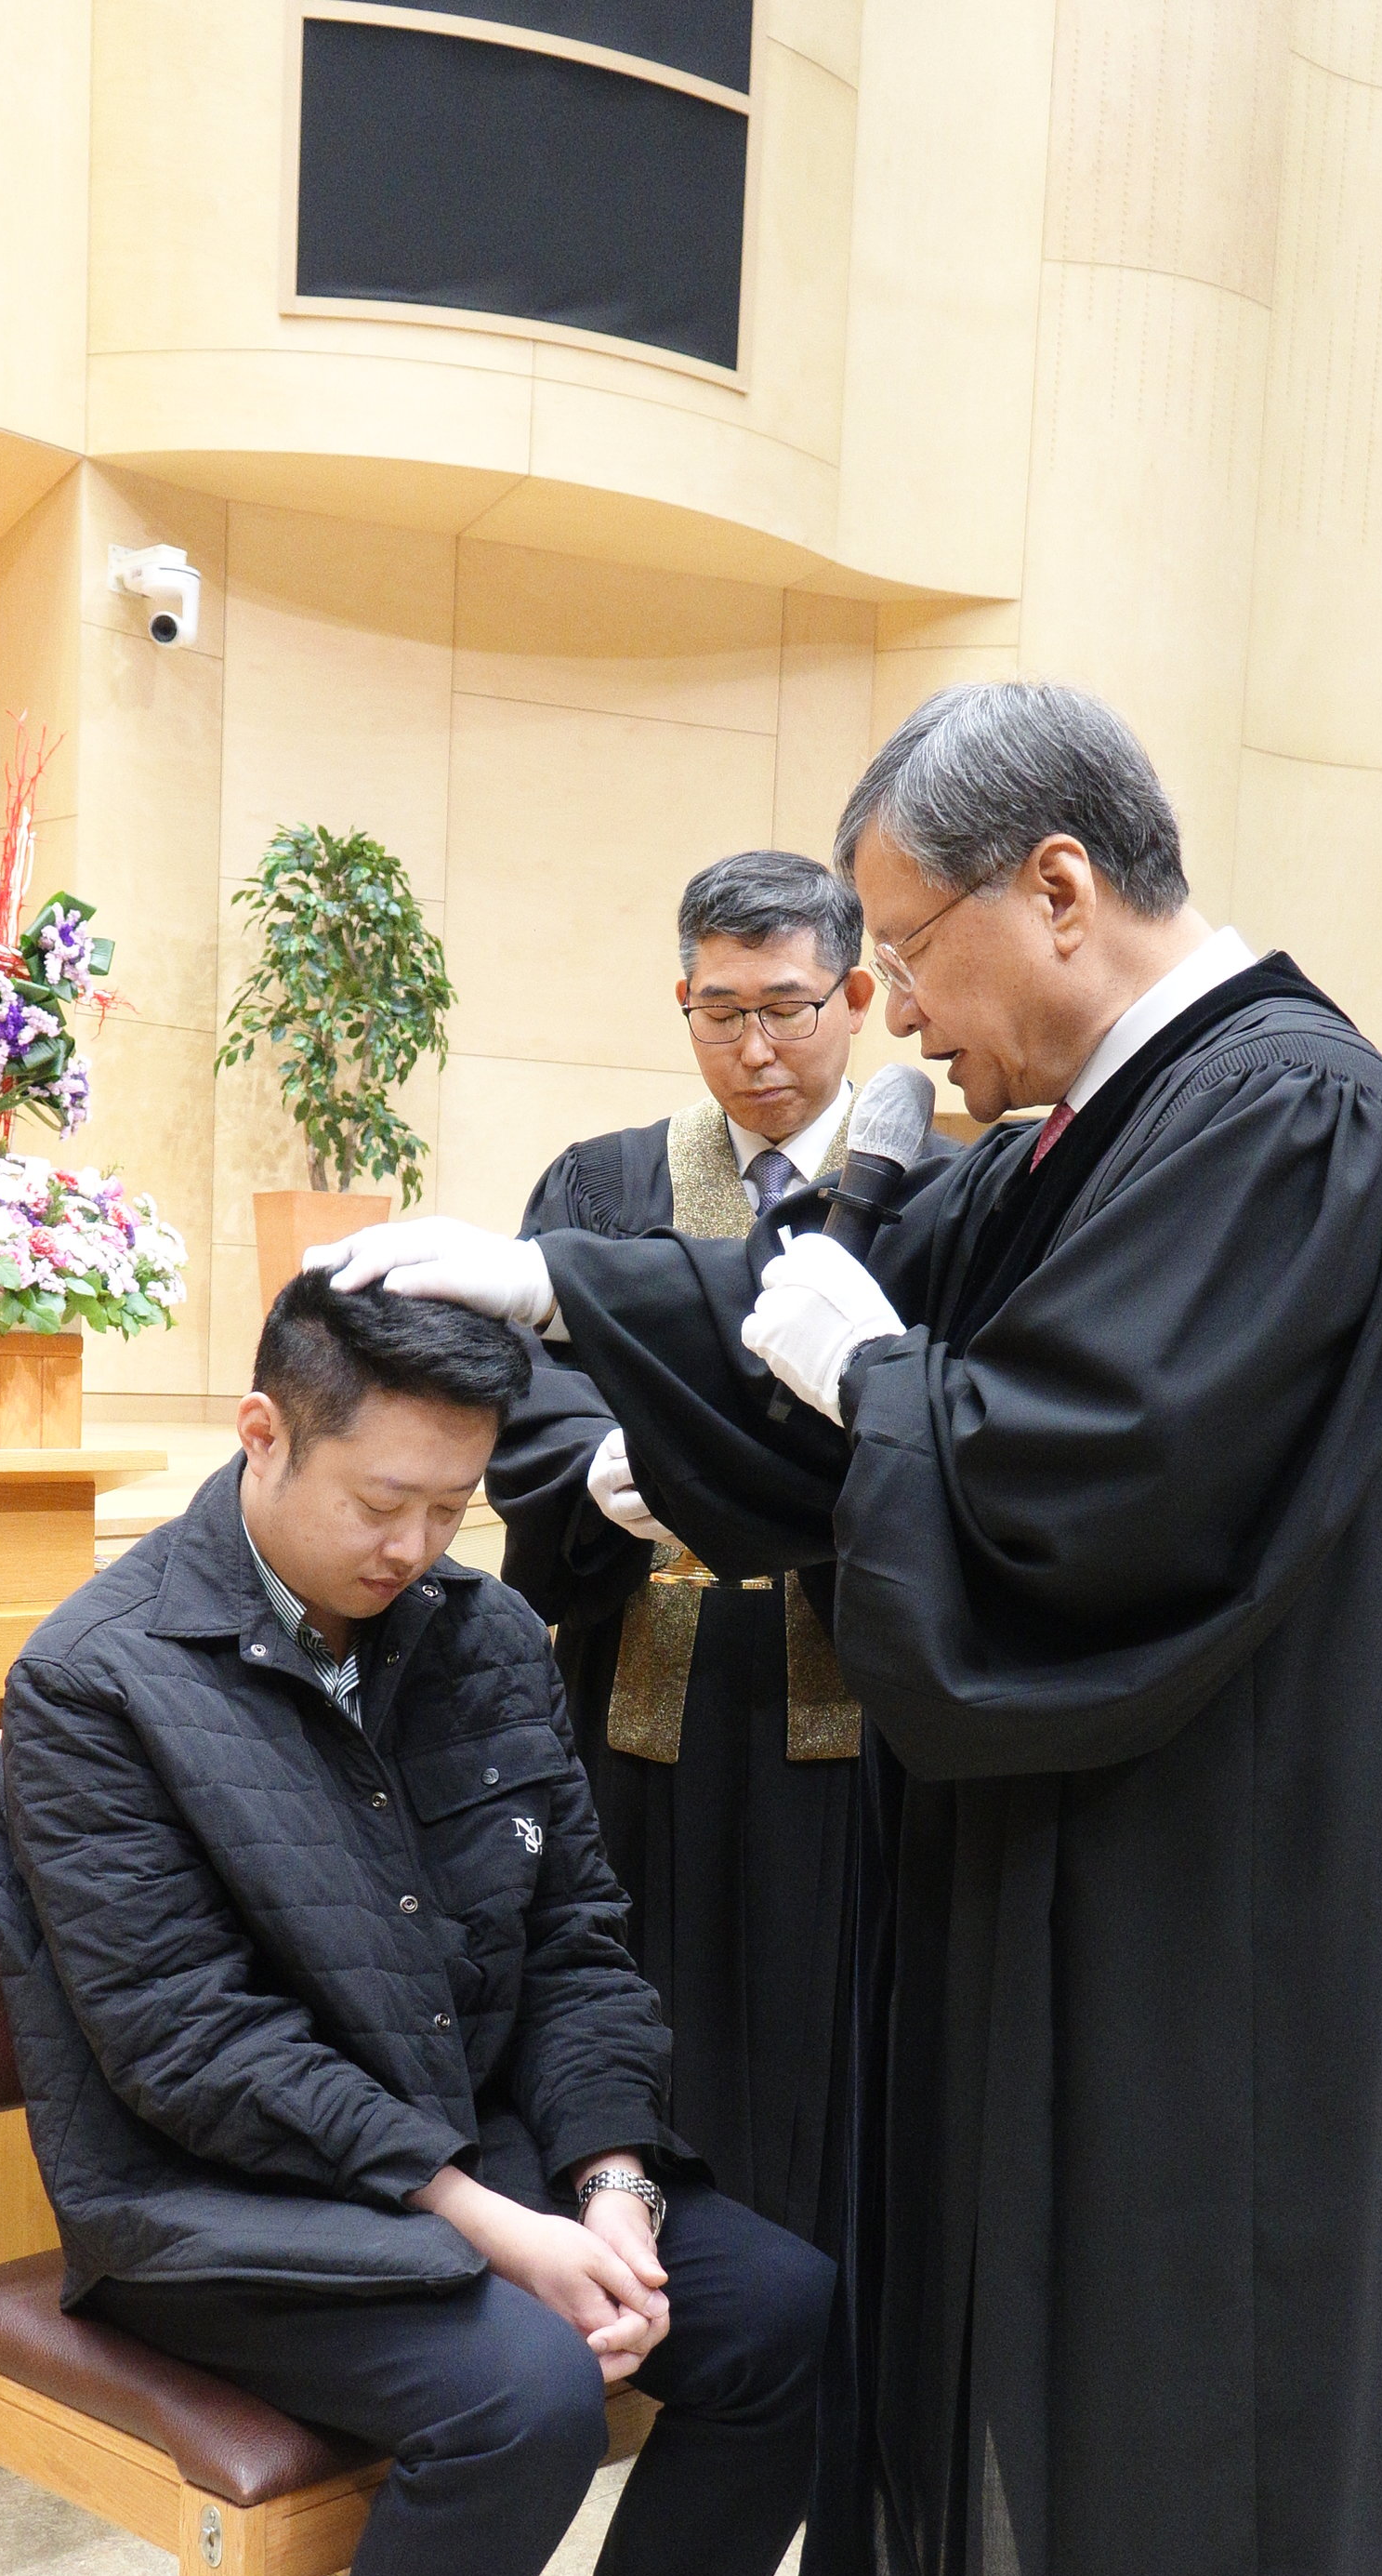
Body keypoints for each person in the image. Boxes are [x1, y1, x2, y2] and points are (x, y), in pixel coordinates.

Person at [309, 682, 1382, 2576]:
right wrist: (558, 1293)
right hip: (1089, 1845)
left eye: (905, 949)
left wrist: (888, 1394)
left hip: (1218, 1894)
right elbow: (820, 1346)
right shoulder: (1102, 1117)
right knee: (1052, 2292)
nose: (895, 1012)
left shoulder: (1291, 1115)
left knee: (1175, 2338)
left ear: (1059, 887)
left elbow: (1106, 1479)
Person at [0, 1271, 841, 2576]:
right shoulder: (95, 1679)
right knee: (518, 2391)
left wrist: (608, 2174)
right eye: (383, 1501)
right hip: (206, 2204)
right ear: (261, 1434)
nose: (415, 1547)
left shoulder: (480, 1632)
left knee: (778, 2306)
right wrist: (489, 2221)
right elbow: (185, 2045)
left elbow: (580, 1939)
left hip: (473, 2154)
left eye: (454, 1507)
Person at [488, 848, 950, 2251]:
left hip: (862, 1707)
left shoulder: (942, 1193)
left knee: (849, 2041)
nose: (754, 1051)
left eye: (788, 1010)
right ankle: (648, 2296)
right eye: (721, 1012)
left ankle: (824, 2321)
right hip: (650, 1698)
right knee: (634, 2004)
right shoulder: (604, 1184)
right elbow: (522, 1385)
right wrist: (594, 1468)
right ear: (682, 1001)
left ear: (855, 995)